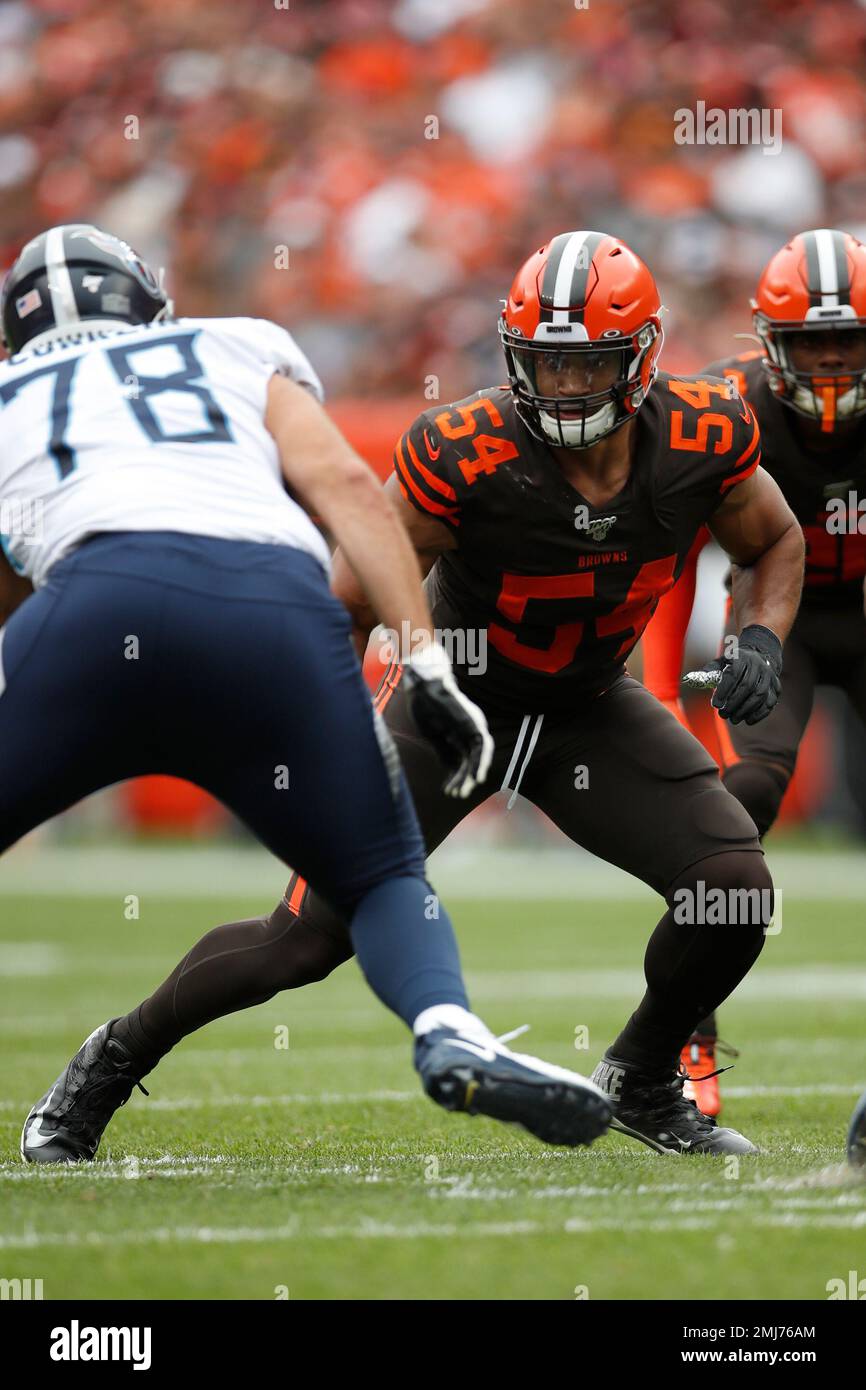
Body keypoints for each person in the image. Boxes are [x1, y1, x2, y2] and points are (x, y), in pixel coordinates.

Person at [23, 229, 805, 1161]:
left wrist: (760, 634)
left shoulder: (702, 432)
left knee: (734, 891)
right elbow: (349, 602)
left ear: (638, 359)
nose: (562, 388)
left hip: (590, 707)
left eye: (585, 365)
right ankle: (108, 1062)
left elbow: (773, 540)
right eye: (545, 365)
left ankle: (640, 1080)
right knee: (303, 943)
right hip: (454, 705)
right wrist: (336, 724)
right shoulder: (464, 447)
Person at [644, 229, 866, 1116]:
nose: (830, 362)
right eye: (811, 343)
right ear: (768, 344)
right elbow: (669, 564)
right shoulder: (728, 411)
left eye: (846, 340)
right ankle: (686, 1025)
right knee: (753, 791)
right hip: (786, 621)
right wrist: (661, 689)